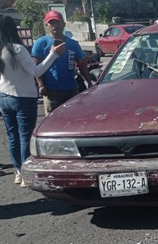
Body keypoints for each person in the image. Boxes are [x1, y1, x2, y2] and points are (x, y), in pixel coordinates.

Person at [0, 15, 65, 186]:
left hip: (4, 97)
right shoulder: (17, 50)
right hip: (22, 97)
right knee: (25, 136)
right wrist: (53, 54)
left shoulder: (1, 50)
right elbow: (36, 71)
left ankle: (17, 172)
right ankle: (24, 172)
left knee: (12, 136)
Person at [32, 10, 92, 116]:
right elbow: (36, 67)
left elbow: (81, 64)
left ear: (63, 24)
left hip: (72, 89)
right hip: (51, 91)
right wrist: (41, 85)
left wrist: (89, 82)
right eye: (51, 23)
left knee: (74, 118)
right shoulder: (40, 43)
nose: (55, 25)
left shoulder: (73, 44)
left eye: (57, 22)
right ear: (46, 25)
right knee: (52, 121)